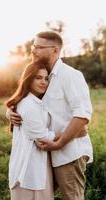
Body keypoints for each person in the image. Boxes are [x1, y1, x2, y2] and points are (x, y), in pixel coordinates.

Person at [6, 31, 93, 200]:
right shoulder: (43, 76)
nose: (33, 51)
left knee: (72, 198)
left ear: (55, 50)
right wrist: (10, 111)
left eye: (38, 47)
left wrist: (59, 143)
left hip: (69, 152)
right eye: (33, 47)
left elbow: (82, 115)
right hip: (45, 154)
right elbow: (27, 101)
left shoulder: (70, 76)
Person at [5, 61, 58, 200]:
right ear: (28, 79)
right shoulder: (28, 104)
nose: (44, 82)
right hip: (28, 170)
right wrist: (72, 133)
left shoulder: (37, 101)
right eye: (38, 77)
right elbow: (43, 138)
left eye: (46, 78)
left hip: (37, 166)